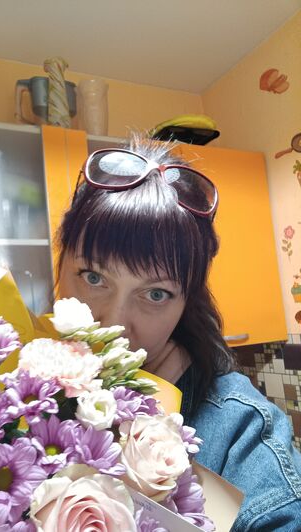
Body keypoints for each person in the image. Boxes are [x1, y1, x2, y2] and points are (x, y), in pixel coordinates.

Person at [55, 133, 301, 531]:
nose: (113, 324)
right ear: (60, 263)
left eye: (155, 294)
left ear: (186, 301)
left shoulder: (238, 428)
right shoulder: (16, 389)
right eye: (93, 276)